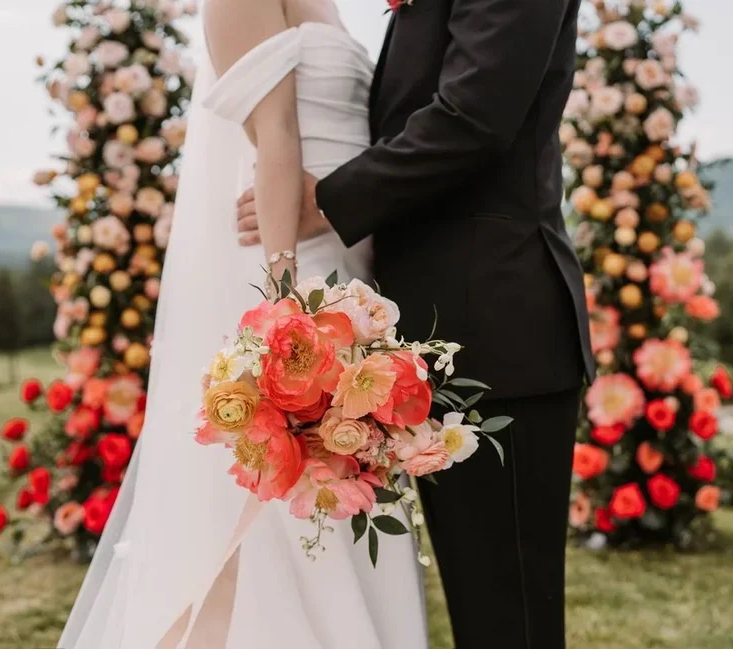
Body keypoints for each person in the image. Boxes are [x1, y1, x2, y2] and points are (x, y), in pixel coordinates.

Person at [59, 0, 428, 647]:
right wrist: (287, 305)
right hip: (290, 254)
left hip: (348, 251)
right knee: (283, 498)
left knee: (347, 475)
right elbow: (277, 134)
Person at [236, 0, 595, 647]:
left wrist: (326, 199)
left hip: (498, 327)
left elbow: (475, 115)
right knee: (481, 605)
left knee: (508, 614)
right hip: (441, 329)